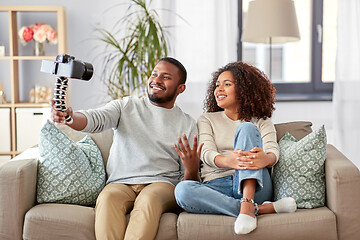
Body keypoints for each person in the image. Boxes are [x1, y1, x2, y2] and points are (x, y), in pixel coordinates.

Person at [51, 57, 200, 240]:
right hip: (120, 183)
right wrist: (70, 118)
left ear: (180, 88)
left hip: (162, 184)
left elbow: (189, 184)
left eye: (166, 77)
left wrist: (192, 168)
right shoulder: (126, 106)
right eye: (154, 74)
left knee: (148, 199)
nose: (156, 80)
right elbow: (95, 119)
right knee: (107, 199)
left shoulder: (187, 123)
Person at [174, 61, 297, 235]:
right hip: (217, 186)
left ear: (245, 90)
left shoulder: (261, 121)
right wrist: (228, 161)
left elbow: (273, 150)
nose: (219, 89)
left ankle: (248, 203)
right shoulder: (207, 119)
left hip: (256, 186)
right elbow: (206, 152)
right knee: (182, 190)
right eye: (217, 85)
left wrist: (267, 159)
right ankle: (259, 209)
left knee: (246, 128)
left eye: (227, 84)